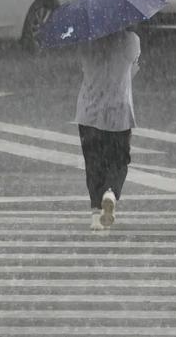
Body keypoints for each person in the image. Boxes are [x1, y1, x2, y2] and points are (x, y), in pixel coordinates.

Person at [75, 27, 140, 231]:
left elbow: (85, 69)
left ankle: (96, 213)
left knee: (93, 162)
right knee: (118, 159)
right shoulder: (131, 40)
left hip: (89, 111)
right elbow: (133, 69)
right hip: (118, 111)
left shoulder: (86, 41)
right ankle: (110, 192)